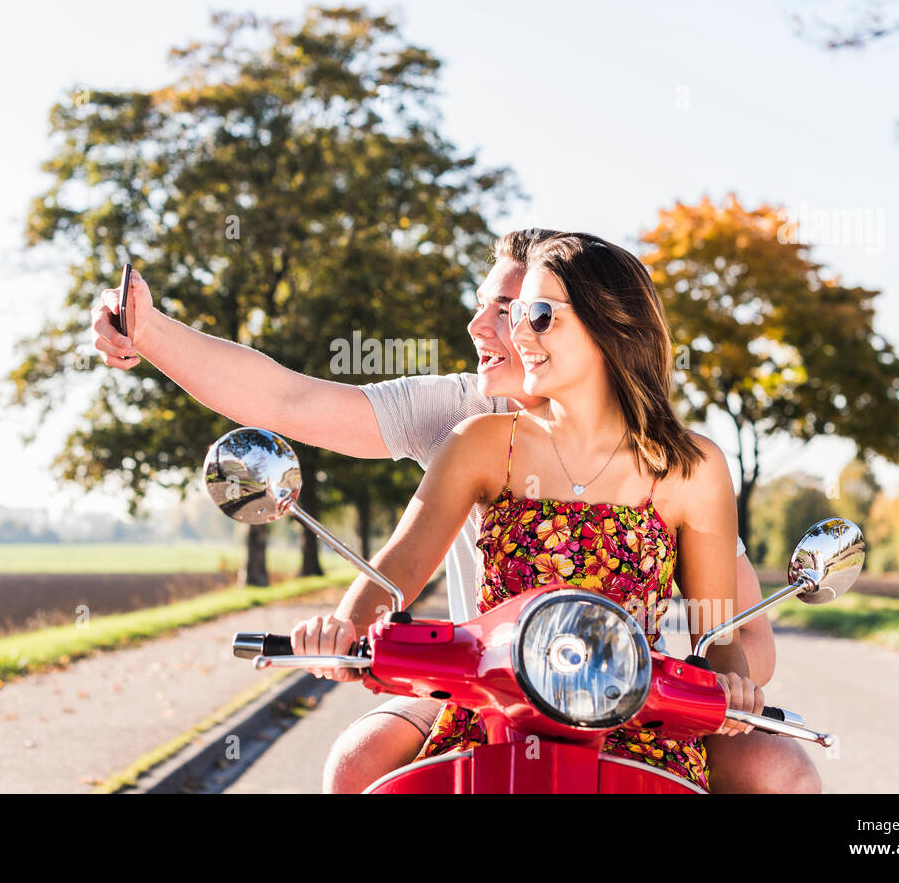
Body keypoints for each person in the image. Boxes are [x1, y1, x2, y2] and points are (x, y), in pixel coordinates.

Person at [90, 229, 820, 794]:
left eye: (522, 310)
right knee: (355, 759)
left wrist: (731, 676)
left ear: (603, 324)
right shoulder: (470, 426)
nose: (487, 327)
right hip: (484, 690)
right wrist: (150, 334)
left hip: (633, 701)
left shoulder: (687, 462)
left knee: (780, 771)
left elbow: (731, 625)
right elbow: (293, 410)